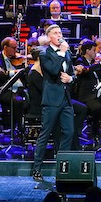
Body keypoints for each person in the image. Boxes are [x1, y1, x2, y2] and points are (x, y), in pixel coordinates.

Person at [30, 25, 78, 181]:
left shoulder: (67, 53)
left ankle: (61, 166)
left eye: (60, 32)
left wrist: (71, 79)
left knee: (69, 131)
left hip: (66, 98)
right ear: (49, 36)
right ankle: (36, 168)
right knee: (45, 133)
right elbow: (53, 70)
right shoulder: (44, 54)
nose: (60, 35)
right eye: (56, 33)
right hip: (51, 100)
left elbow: (71, 72)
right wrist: (63, 53)